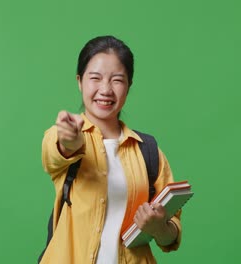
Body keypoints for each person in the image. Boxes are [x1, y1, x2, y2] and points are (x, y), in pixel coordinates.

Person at [40, 35, 182, 264]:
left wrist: (159, 228)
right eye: (95, 78)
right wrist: (70, 142)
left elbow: (170, 237)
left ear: (129, 85)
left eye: (117, 80)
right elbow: (55, 153)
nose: (105, 89)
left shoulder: (148, 151)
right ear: (80, 81)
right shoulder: (63, 134)